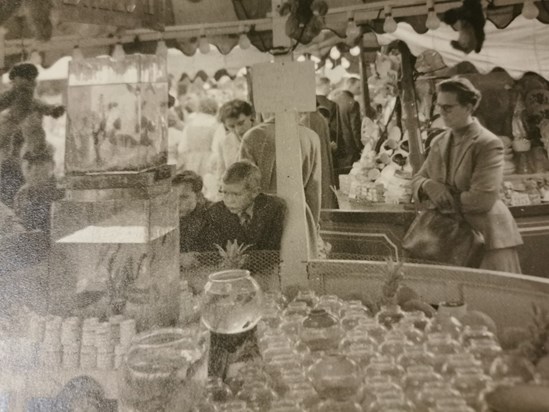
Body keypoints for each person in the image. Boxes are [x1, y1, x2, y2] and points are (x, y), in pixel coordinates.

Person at [411, 77, 522, 273]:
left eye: (448, 107)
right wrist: (428, 185)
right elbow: (417, 179)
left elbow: (483, 199)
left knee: (489, 299)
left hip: (487, 238)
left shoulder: (488, 143)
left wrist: (444, 198)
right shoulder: (439, 141)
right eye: (439, 107)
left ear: (469, 107)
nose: (441, 113)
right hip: (452, 239)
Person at [238, 114, 321, 256]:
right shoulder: (310, 136)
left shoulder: (253, 136)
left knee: (264, 268)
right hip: (299, 213)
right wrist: (314, 225)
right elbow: (314, 189)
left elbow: (242, 185)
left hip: (261, 215)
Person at [201, 160, 286, 253]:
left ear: (255, 192)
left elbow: (272, 251)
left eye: (236, 194)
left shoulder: (272, 208)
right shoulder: (214, 212)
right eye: (225, 192)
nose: (229, 200)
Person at [13, 145, 64, 235]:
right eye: (29, 165)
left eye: (40, 163)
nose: (34, 170)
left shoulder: (62, 192)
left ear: (52, 165)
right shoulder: (22, 194)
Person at [211, 99, 255, 183]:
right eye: (231, 126)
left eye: (241, 123)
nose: (238, 130)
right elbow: (221, 175)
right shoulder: (224, 142)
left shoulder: (263, 136)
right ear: (225, 126)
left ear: (251, 116)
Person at [174, 170, 211, 253]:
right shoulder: (171, 216)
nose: (177, 203)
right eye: (173, 197)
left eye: (184, 197)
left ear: (198, 196)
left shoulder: (212, 215)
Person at [332, 76, 364, 172]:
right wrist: (360, 147)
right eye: (358, 87)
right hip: (350, 146)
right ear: (349, 85)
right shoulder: (353, 103)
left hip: (337, 145)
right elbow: (355, 129)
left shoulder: (334, 99)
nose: (360, 90)